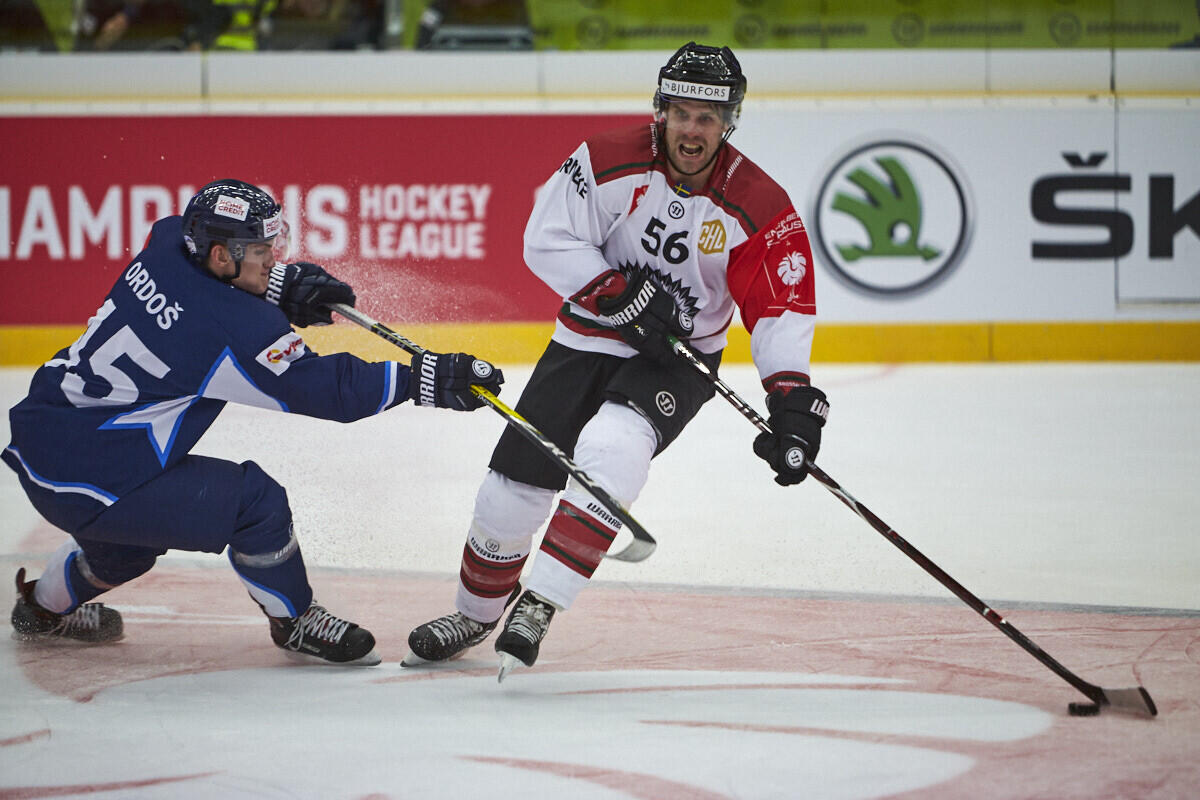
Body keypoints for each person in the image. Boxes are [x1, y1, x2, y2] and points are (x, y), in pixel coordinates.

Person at [403, 42, 829, 680]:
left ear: (729, 121)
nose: (693, 129)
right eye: (682, 112)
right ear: (661, 109)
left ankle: (540, 601)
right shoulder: (606, 160)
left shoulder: (760, 203)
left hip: (679, 358)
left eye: (708, 117)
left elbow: (780, 305)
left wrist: (792, 399)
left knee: (614, 447)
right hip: (587, 335)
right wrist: (618, 292)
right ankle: (475, 611)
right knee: (512, 487)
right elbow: (545, 238)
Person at [4, 179, 503, 666]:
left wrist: (275, 287)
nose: (274, 259)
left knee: (126, 551)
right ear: (221, 256)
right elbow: (328, 390)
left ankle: (41, 609)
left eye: (273, 245)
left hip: (45, 439)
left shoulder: (166, 241)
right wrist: (425, 378)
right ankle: (295, 620)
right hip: (94, 479)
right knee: (255, 503)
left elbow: (201, 287)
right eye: (262, 251)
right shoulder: (233, 330)